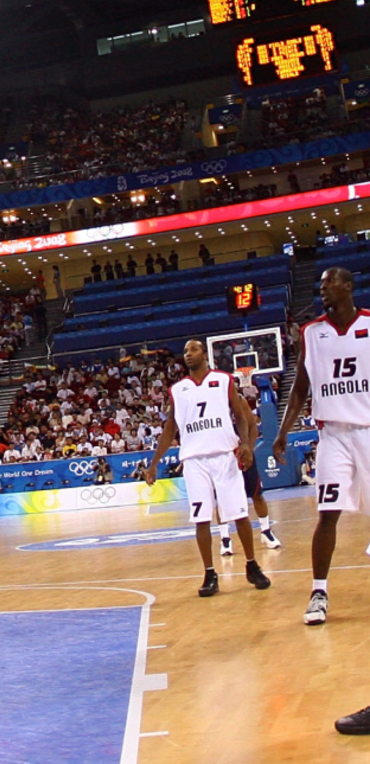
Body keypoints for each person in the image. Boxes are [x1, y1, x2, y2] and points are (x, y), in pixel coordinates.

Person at [273, 266, 370, 627]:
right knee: (327, 513)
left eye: (330, 283)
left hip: (368, 430)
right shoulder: (312, 333)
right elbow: (300, 387)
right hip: (332, 436)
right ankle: (318, 592)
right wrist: (282, 432)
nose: (323, 288)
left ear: (348, 286)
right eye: (321, 284)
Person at [144, 340, 270, 597]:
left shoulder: (223, 380)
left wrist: (245, 444)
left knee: (239, 514)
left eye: (193, 350)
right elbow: (170, 429)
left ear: (204, 354)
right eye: (185, 351)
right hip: (194, 461)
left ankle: (251, 565)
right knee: (201, 519)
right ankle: (210, 573)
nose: (188, 354)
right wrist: (154, 463)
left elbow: (240, 415)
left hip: (225, 456)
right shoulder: (178, 389)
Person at [218, 396, 282, 556]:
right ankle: (225, 538)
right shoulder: (211, 401)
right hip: (222, 457)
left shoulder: (239, 400)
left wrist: (249, 450)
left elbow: (253, 427)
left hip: (243, 453)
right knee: (221, 499)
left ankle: (266, 530)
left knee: (257, 494)